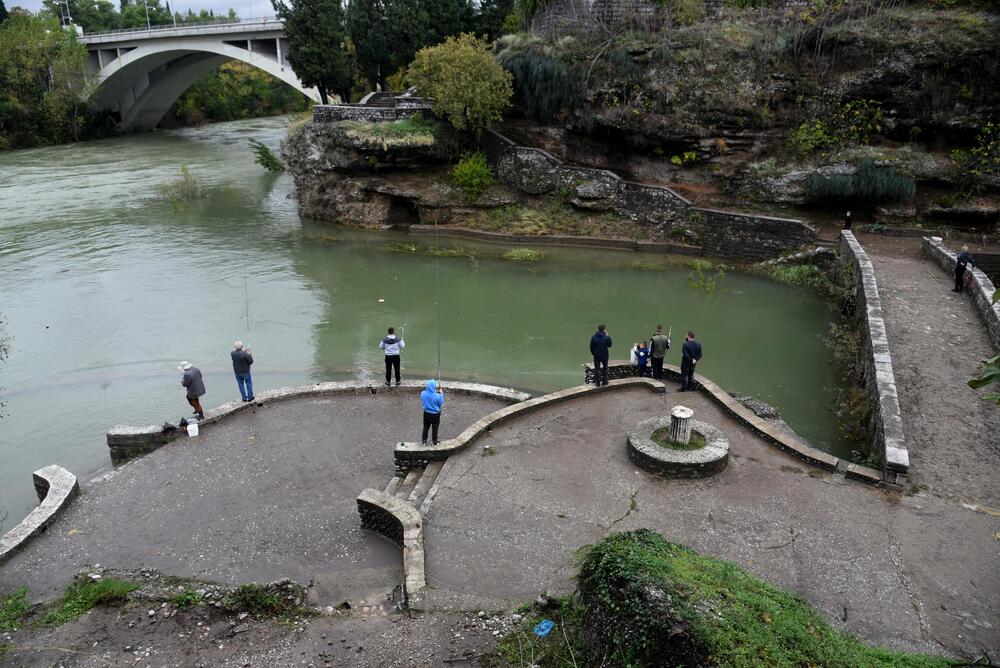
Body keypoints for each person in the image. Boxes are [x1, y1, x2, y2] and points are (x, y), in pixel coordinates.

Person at [420, 379, 445, 445]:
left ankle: (424, 441)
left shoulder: (423, 394)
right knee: (435, 428)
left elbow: (426, 397)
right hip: (435, 415)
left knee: (425, 427)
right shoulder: (438, 396)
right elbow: (441, 403)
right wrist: (441, 393)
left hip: (426, 413)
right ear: (433, 386)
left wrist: (437, 393)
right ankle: (434, 442)